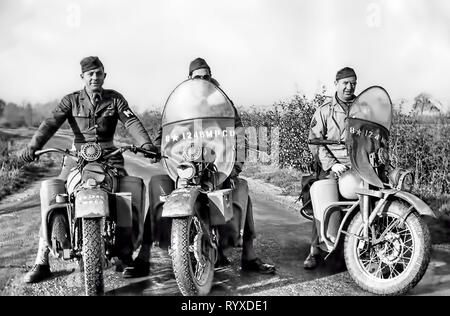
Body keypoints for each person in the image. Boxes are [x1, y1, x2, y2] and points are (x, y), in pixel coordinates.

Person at [122, 58, 276, 277]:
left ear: (211, 77)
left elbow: (238, 134)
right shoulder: (181, 103)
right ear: (189, 79)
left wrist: (234, 166)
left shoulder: (223, 103)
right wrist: (155, 149)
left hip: (216, 166)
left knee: (241, 188)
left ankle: (249, 255)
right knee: (158, 185)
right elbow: (165, 134)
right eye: (198, 77)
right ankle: (144, 256)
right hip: (184, 169)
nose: (203, 81)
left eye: (206, 77)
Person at [20, 56, 158, 283]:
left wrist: (145, 145)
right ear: (82, 77)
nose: (95, 77)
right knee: (54, 195)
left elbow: (131, 121)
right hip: (76, 158)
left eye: (99, 73)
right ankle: (42, 260)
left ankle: (128, 254)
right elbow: (50, 123)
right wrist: (33, 147)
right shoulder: (70, 100)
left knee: (131, 191)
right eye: (90, 74)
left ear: (105, 75)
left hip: (110, 158)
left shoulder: (115, 99)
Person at [303, 67, 357, 269]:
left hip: (358, 165)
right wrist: (332, 164)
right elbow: (314, 141)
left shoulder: (363, 108)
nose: (349, 87)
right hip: (331, 165)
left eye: (353, 83)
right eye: (345, 83)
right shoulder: (324, 110)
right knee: (324, 198)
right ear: (336, 83)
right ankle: (314, 250)